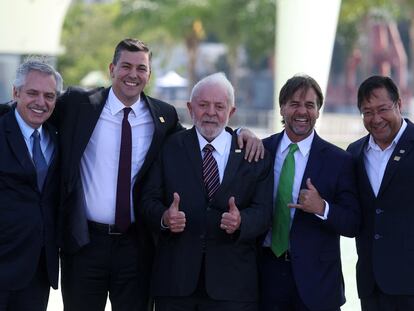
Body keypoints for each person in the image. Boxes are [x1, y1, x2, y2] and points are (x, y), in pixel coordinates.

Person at [52, 38, 264, 311]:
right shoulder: (80, 104)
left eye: (141, 68)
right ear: (111, 69)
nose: (133, 74)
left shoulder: (163, 116)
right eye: (126, 66)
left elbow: (205, 132)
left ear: (149, 74)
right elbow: (33, 110)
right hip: (84, 243)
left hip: (135, 245)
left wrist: (241, 132)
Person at [140, 72, 273, 311]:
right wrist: (164, 218)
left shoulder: (254, 155)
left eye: (219, 106)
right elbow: (147, 199)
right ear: (191, 108)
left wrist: (241, 222)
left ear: (231, 112)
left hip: (233, 288)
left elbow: (264, 212)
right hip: (175, 285)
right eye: (203, 105)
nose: (211, 112)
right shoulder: (169, 147)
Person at [259, 74, 360, 311]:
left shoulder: (340, 161)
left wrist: (322, 207)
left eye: (309, 105)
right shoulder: (261, 151)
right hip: (265, 276)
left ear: (318, 111)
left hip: (318, 285)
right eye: (294, 104)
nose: (302, 111)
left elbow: (353, 223)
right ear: (282, 108)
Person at [347, 75, 414, 311]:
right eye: (367, 112)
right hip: (371, 285)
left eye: (383, 109)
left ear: (399, 104)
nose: (376, 119)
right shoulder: (354, 153)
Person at [0, 58, 62, 311]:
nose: (41, 102)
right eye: (33, 93)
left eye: (49, 96)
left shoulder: (56, 137)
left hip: (38, 269)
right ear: (16, 93)